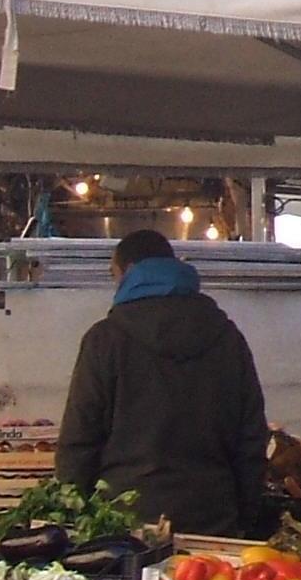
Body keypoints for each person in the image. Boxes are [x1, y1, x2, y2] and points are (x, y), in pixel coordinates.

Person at [56, 230, 268, 537]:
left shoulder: (105, 339)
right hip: (212, 521)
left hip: (124, 526)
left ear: (126, 272)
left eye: (113, 276)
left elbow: (79, 439)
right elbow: (251, 438)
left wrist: (74, 519)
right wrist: (243, 517)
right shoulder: (227, 337)